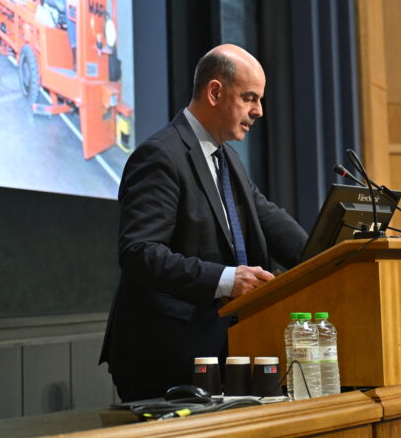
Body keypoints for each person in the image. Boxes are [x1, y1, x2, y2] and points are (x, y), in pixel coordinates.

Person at [99, 45, 308, 401]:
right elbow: (140, 253)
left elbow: (269, 218)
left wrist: (330, 255)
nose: (259, 111)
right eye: (249, 98)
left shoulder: (227, 159)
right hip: (163, 359)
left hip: (216, 354)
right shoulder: (160, 156)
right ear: (214, 92)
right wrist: (227, 280)